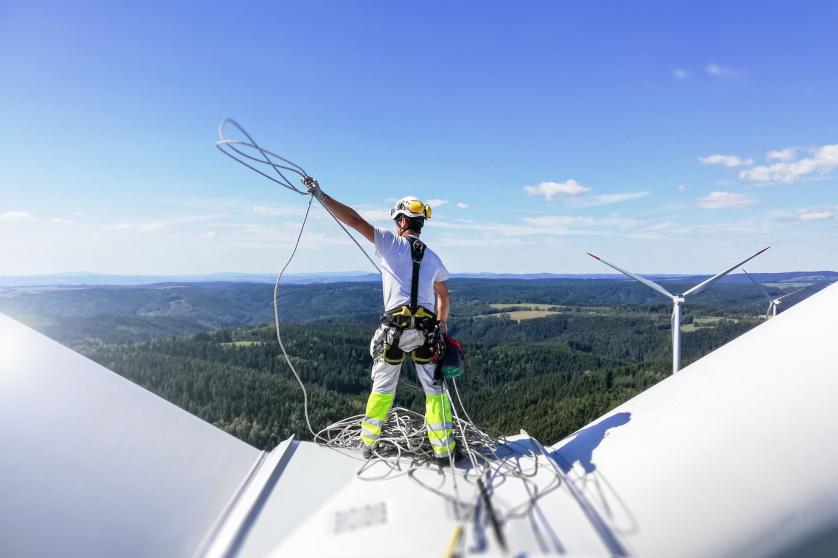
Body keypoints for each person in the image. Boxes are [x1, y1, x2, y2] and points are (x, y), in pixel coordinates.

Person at [304, 178, 457, 465]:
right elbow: (443, 298)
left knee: (383, 389)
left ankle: (367, 444)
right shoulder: (434, 258)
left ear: (401, 221)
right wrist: (442, 324)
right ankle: (443, 449)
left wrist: (321, 195)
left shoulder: (389, 242)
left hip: (393, 333)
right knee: (434, 392)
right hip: (425, 333)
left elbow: (353, 220)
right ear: (420, 223)